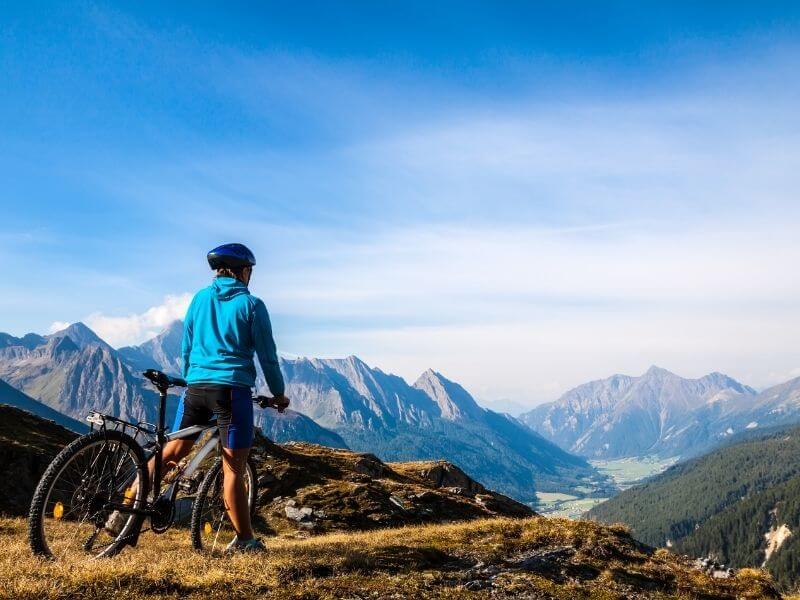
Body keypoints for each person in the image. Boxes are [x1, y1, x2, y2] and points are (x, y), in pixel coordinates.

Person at [108, 243, 289, 553]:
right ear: (242, 271)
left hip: (195, 389)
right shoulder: (252, 305)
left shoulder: (199, 299)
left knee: (171, 452)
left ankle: (124, 508)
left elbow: (187, 348)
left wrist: (192, 376)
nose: (251, 277)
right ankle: (245, 541)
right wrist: (279, 394)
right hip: (231, 391)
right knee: (233, 468)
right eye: (250, 271)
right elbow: (267, 356)